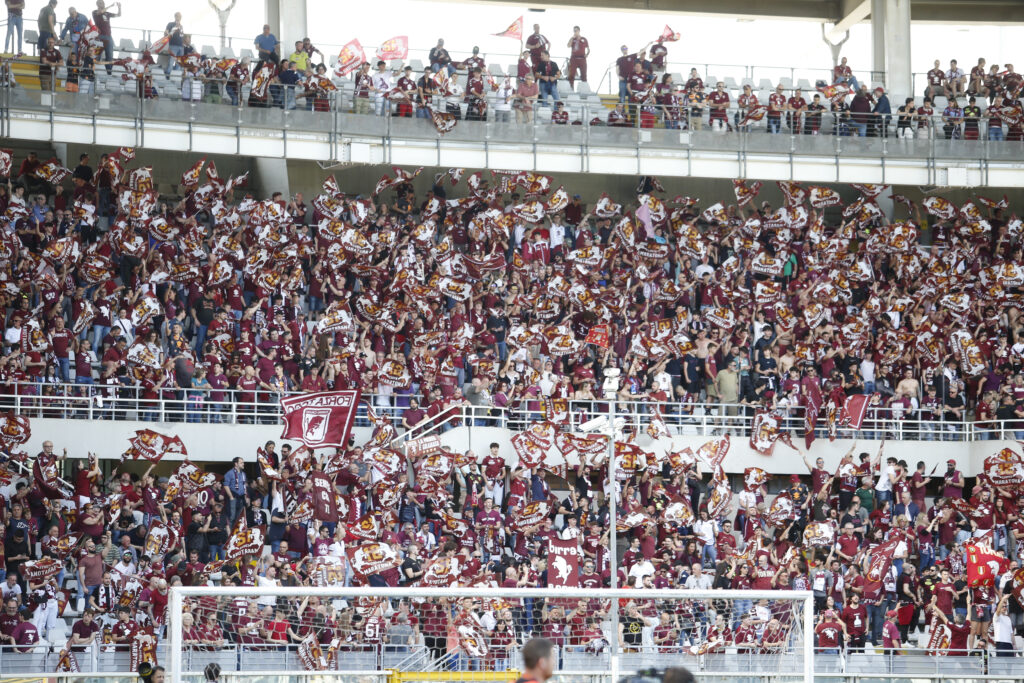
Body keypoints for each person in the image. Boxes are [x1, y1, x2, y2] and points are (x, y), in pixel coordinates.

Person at [92, 0, 120, 75]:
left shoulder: (107, 13)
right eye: (101, 3)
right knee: (97, 55)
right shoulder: (94, 12)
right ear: (97, 4)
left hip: (109, 36)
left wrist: (119, 8)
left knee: (110, 56)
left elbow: (118, 15)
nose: (103, 4)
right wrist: (111, 6)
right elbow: (100, 12)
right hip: (100, 36)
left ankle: (109, 73)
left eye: (103, 3)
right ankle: (93, 72)